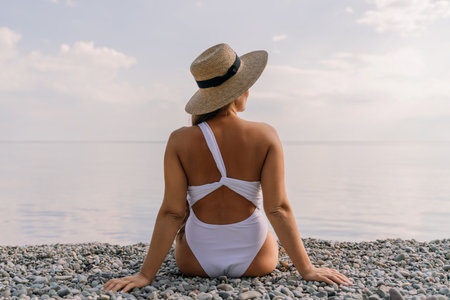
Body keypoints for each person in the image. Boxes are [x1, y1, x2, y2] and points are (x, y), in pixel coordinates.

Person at [103, 43, 352, 293]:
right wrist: (307, 269)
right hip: (257, 259)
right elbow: (278, 208)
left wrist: (145, 275)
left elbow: (172, 212)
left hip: (195, 260)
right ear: (239, 89)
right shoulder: (265, 135)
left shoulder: (179, 140)